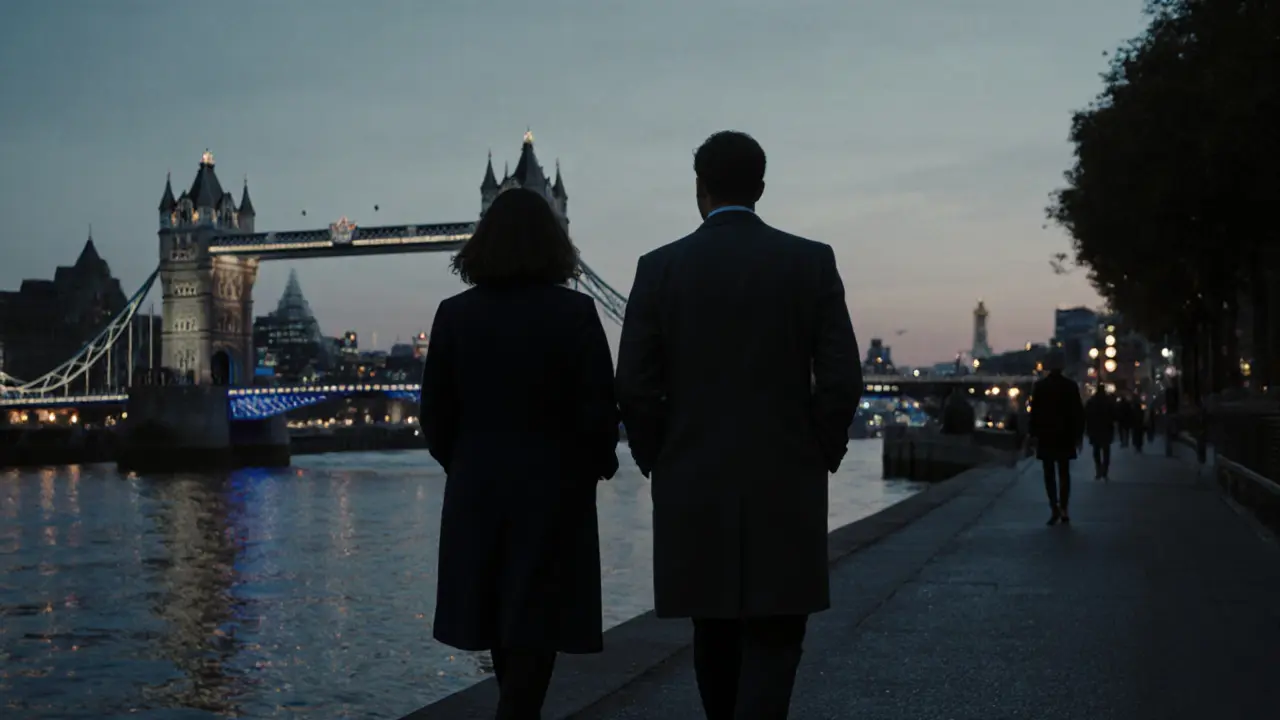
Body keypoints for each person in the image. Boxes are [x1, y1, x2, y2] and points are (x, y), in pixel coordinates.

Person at [616, 130, 862, 720]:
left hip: (694, 480)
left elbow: (633, 387)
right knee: (778, 633)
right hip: (787, 479)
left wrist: (661, 457)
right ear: (760, 187)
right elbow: (841, 378)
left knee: (713, 630)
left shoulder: (658, 269)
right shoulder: (811, 261)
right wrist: (817, 449)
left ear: (699, 188)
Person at [420, 188, 620, 720]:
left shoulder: (452, 315)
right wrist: (596, 464)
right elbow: (599, 408)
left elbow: (434, 418)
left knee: (498, 617)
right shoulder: (576, 312)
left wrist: (465, 465)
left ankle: (515, 708)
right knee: (539, 618)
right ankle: (518, 711)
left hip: (477, 490)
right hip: (555, 490)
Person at [1028, 352, 1085, 525]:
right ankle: (1064, 508)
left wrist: (1033, 435)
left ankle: (1054, 507)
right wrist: (1078, 435)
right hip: (1065, 435)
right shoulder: (1071, 386)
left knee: (1049, 474)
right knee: (1064, 472)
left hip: (1046, 435)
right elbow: (1078, 413)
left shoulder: (1040, 387)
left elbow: (1035, 414)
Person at [1085, 385, 1117, 481]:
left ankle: (1098, 469)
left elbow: (1086, 415)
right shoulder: (1108, 402)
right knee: (1106, 450)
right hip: (1106, 428)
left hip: (1095, 428)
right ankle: (1105, 470)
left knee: (1096, 450)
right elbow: (1114, 415)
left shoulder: (1092, 401)